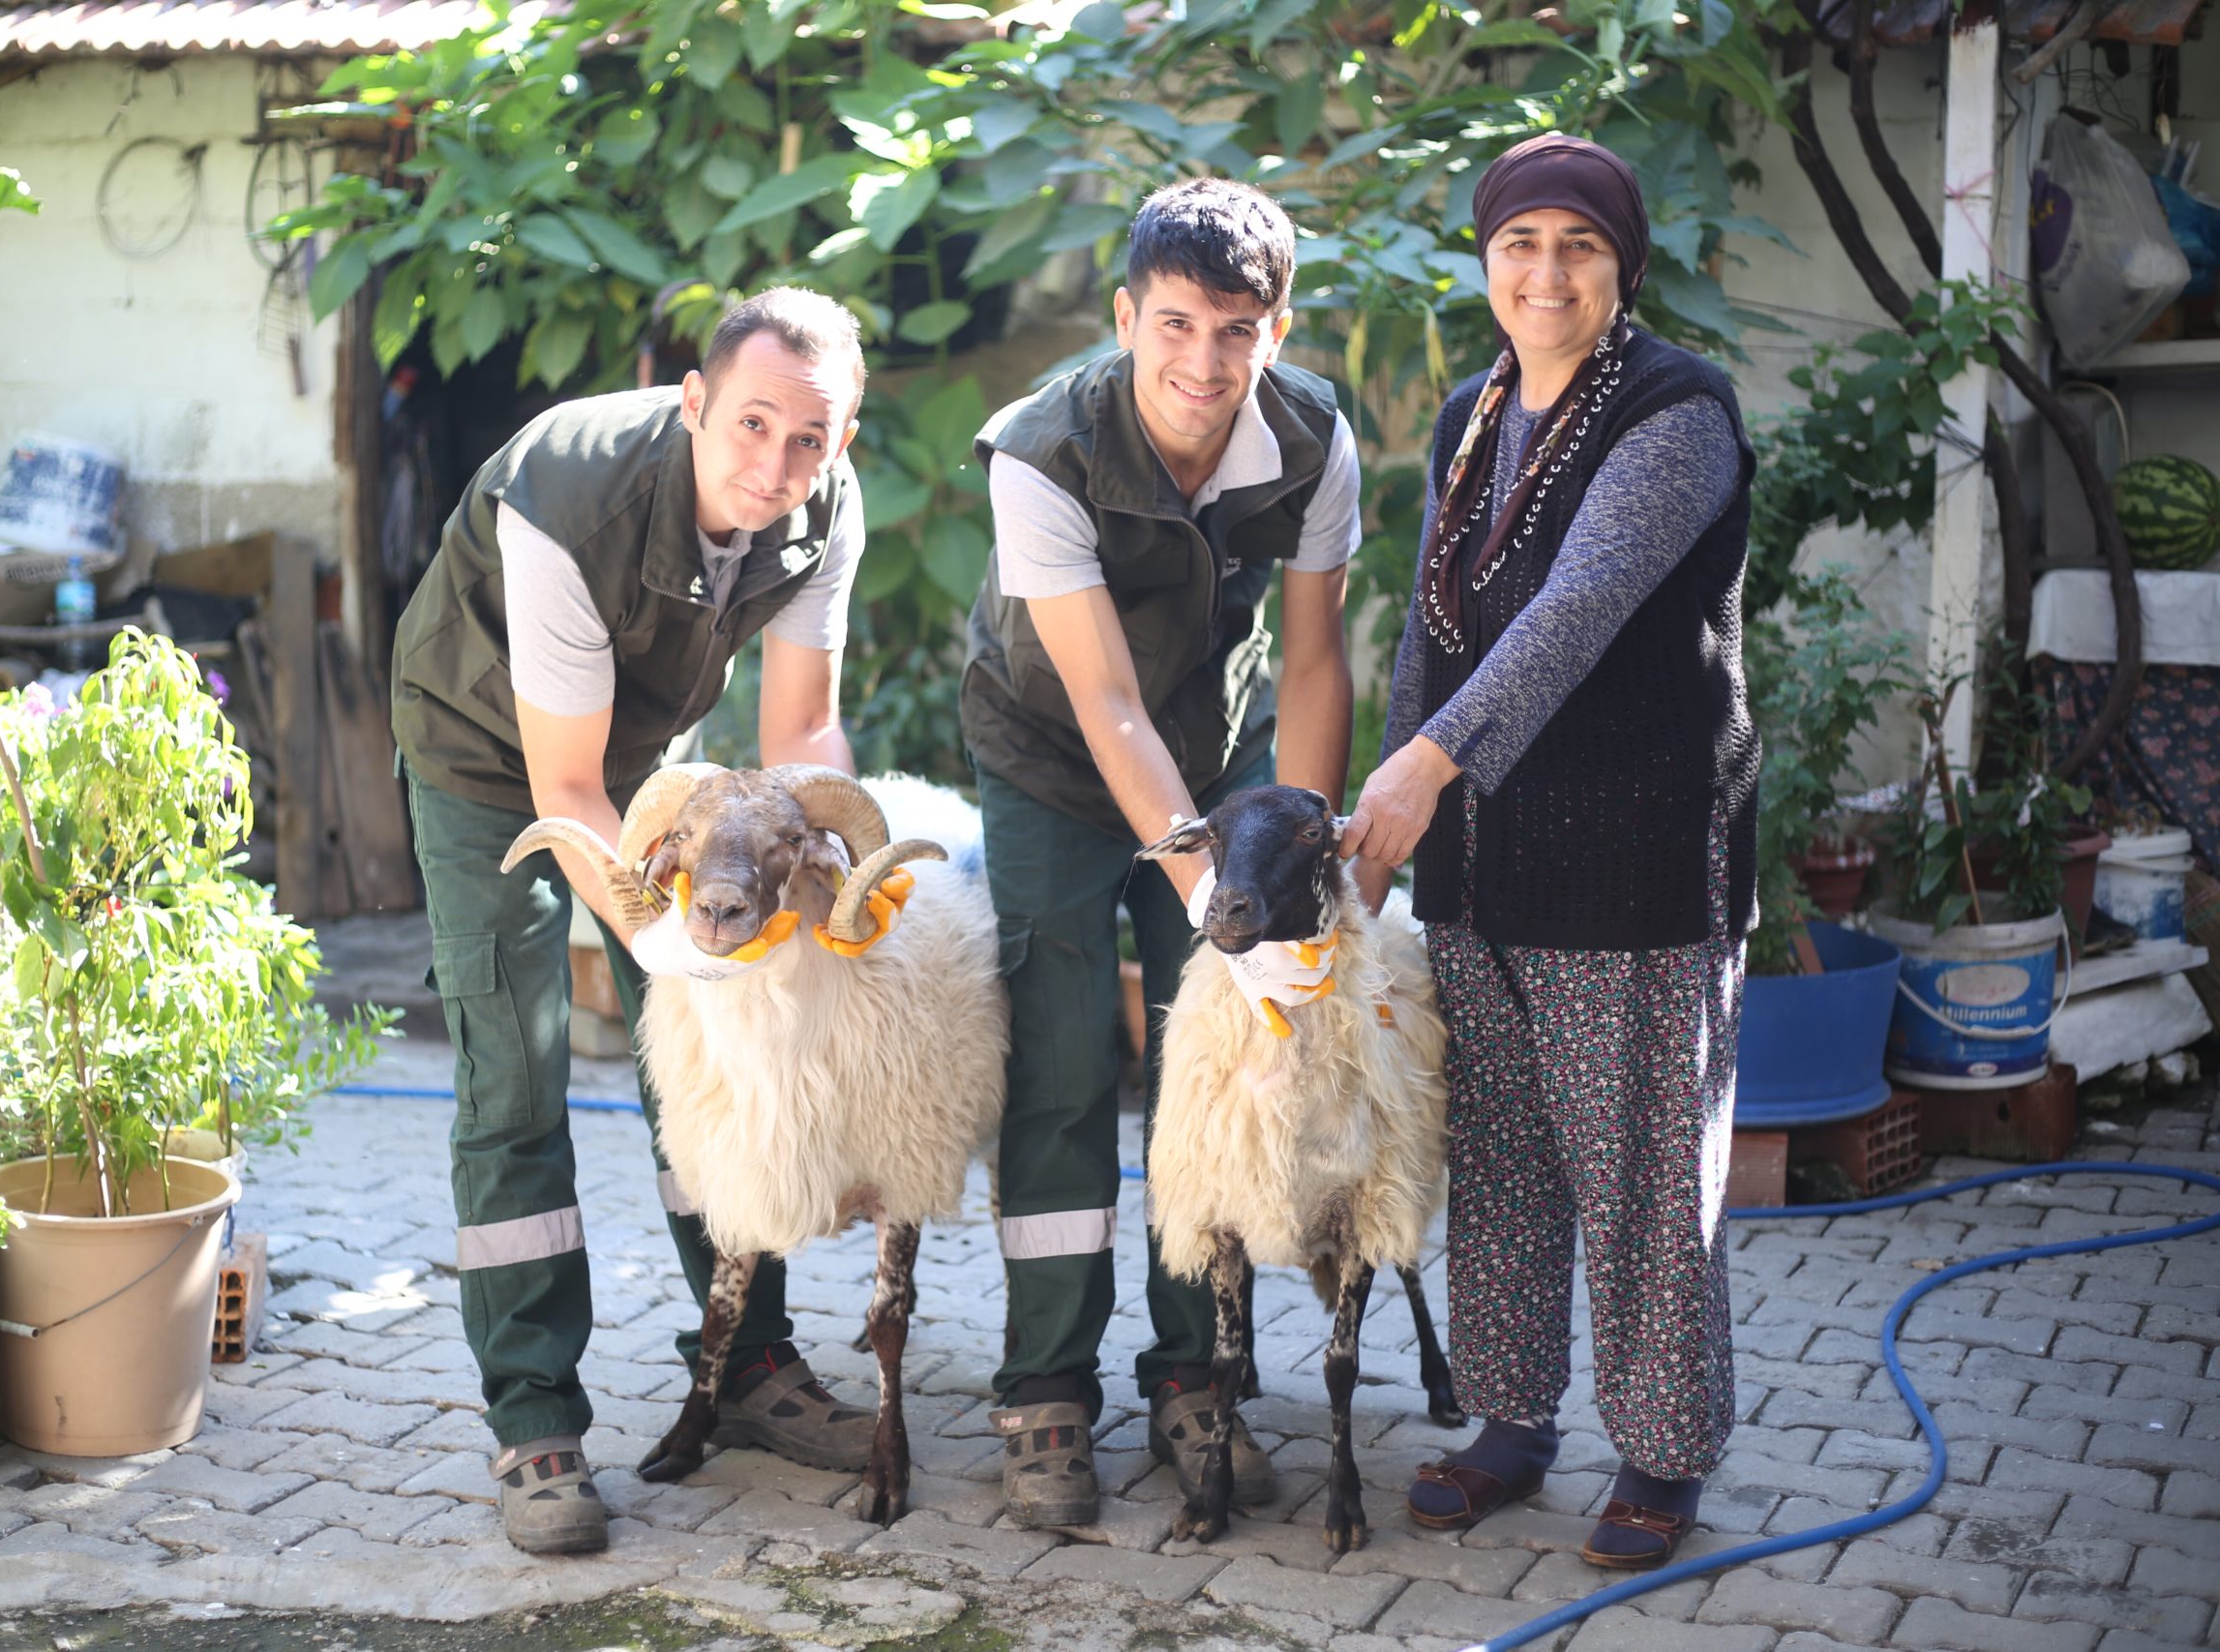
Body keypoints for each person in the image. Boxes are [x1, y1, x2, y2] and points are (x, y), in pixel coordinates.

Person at [391, 288, 882, 1556]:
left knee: (716, 1062)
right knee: (516, 1079)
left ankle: (748, 1364)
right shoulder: (567, 495)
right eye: (753, 425)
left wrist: (826, 866)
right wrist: (679, 947)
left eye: (811, 438)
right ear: (696, 402)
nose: (777, 464)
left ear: (844, 438)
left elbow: (800, 733)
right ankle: (536, 1417)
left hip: (652, 760)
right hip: (488, 758)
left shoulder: (823, 510)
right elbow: (564, 788)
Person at [1340, 133, 1758, 1571]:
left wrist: (1423, 764)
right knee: (1507, 1154)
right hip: (1484, 859)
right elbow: (1434, 625)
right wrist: (1384, 826)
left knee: (1640, 1164)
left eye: (1579, 245)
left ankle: (1661, 1454)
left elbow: (1571, 613)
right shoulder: (1472, 414)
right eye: (1521, 243)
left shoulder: (1675, 413)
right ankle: (1513, 1420)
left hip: (1633, 856)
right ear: (1486, 261)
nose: (1547, 272)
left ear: (1621, 268)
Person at [963, 179, 1363, 1527]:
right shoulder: (1039, 449)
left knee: (1219, 1067)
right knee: (1067, 1066)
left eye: (1238, 330)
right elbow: (1104, 705)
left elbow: (1313, 666)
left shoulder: (1312, 441)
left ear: (1276, 328)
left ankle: (1199, 1374)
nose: (1205, 361)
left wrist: (1287, 882)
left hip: (1218, 752)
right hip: (1051, 757)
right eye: (1177, 324)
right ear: (1126, 315)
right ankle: (1046, 1394)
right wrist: (1212, 896)